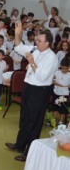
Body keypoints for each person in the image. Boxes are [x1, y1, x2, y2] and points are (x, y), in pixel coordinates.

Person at [5, 21, 58, 162]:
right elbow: (19, 47)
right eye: (37, 39)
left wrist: (33, 62)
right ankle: (19, 145)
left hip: (39, 91)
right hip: (28, 87)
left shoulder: (51, 58)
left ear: (47, 43)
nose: (37, 42)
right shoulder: (35, 49)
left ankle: (30, 152)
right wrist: (18, 34)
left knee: (34, 122)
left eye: (39, 40)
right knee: (25, 118)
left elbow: (41, 77)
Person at [50, 59, 70, 127]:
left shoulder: (69, 75)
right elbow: (52, 81)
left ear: (68, 68)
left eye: (66, 68)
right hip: (56, 93)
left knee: (63, 109)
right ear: (60, 67)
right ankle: (53, 120)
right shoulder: (57, 73)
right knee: (55, 108)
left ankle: (61, 122)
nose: (64, 70)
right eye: (63, 68)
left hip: (65, 94)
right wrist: (56, 83)